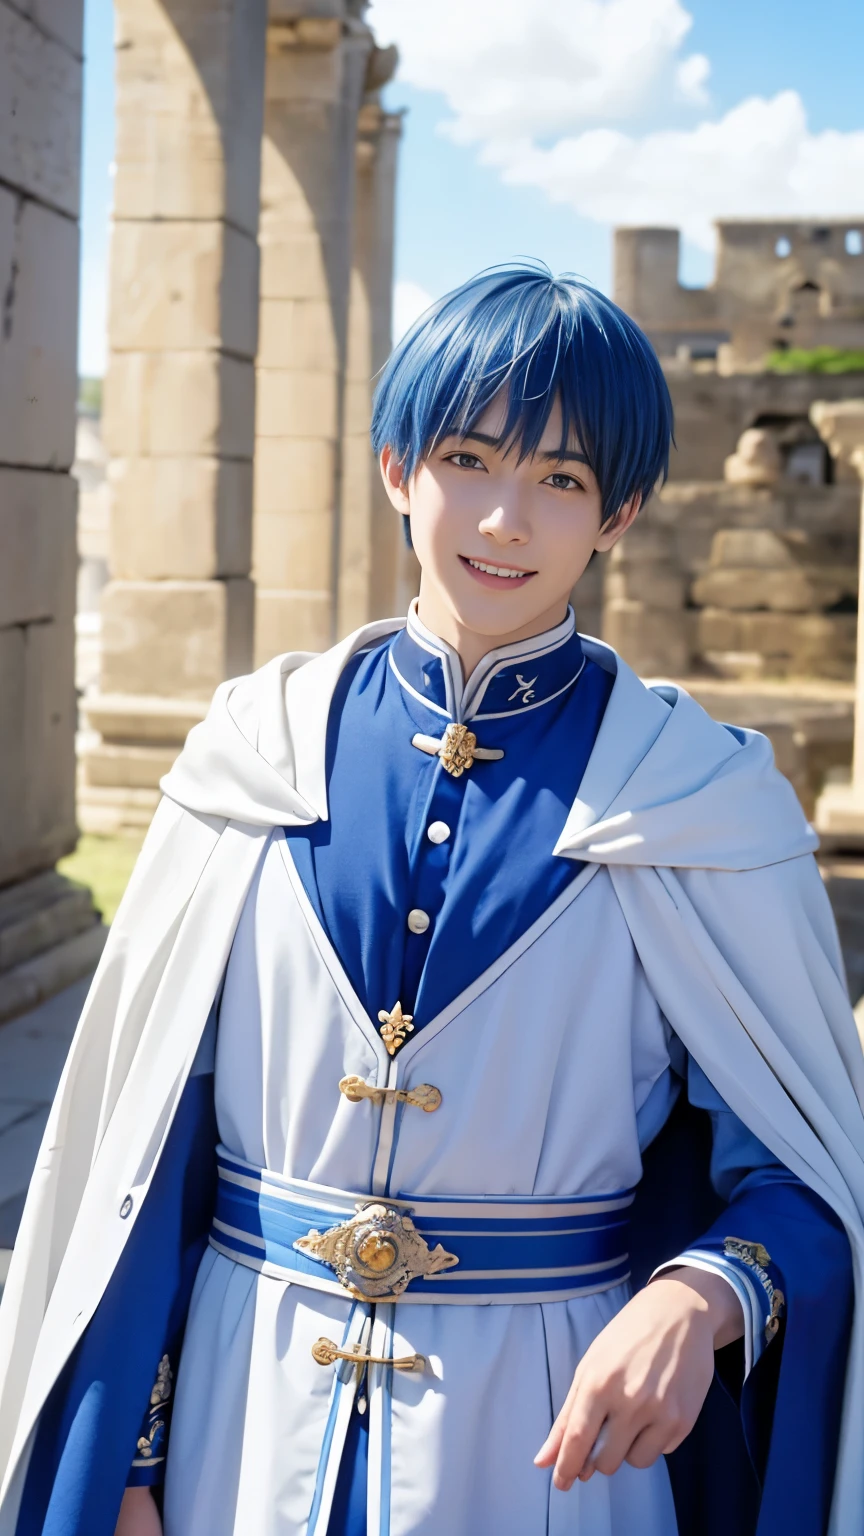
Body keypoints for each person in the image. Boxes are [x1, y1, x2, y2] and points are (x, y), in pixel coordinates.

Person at [1, 264, 863, 1536]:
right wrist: (130, 1460)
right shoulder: (256, 754)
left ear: (617, 512)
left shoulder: (702, 801)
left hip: (550, 1443)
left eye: (562, 479)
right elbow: (145, 1156)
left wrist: (703, 1295)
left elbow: (802, 1175)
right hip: (240, 1426)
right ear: (400, 467)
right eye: (469, 457)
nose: (506, 519)